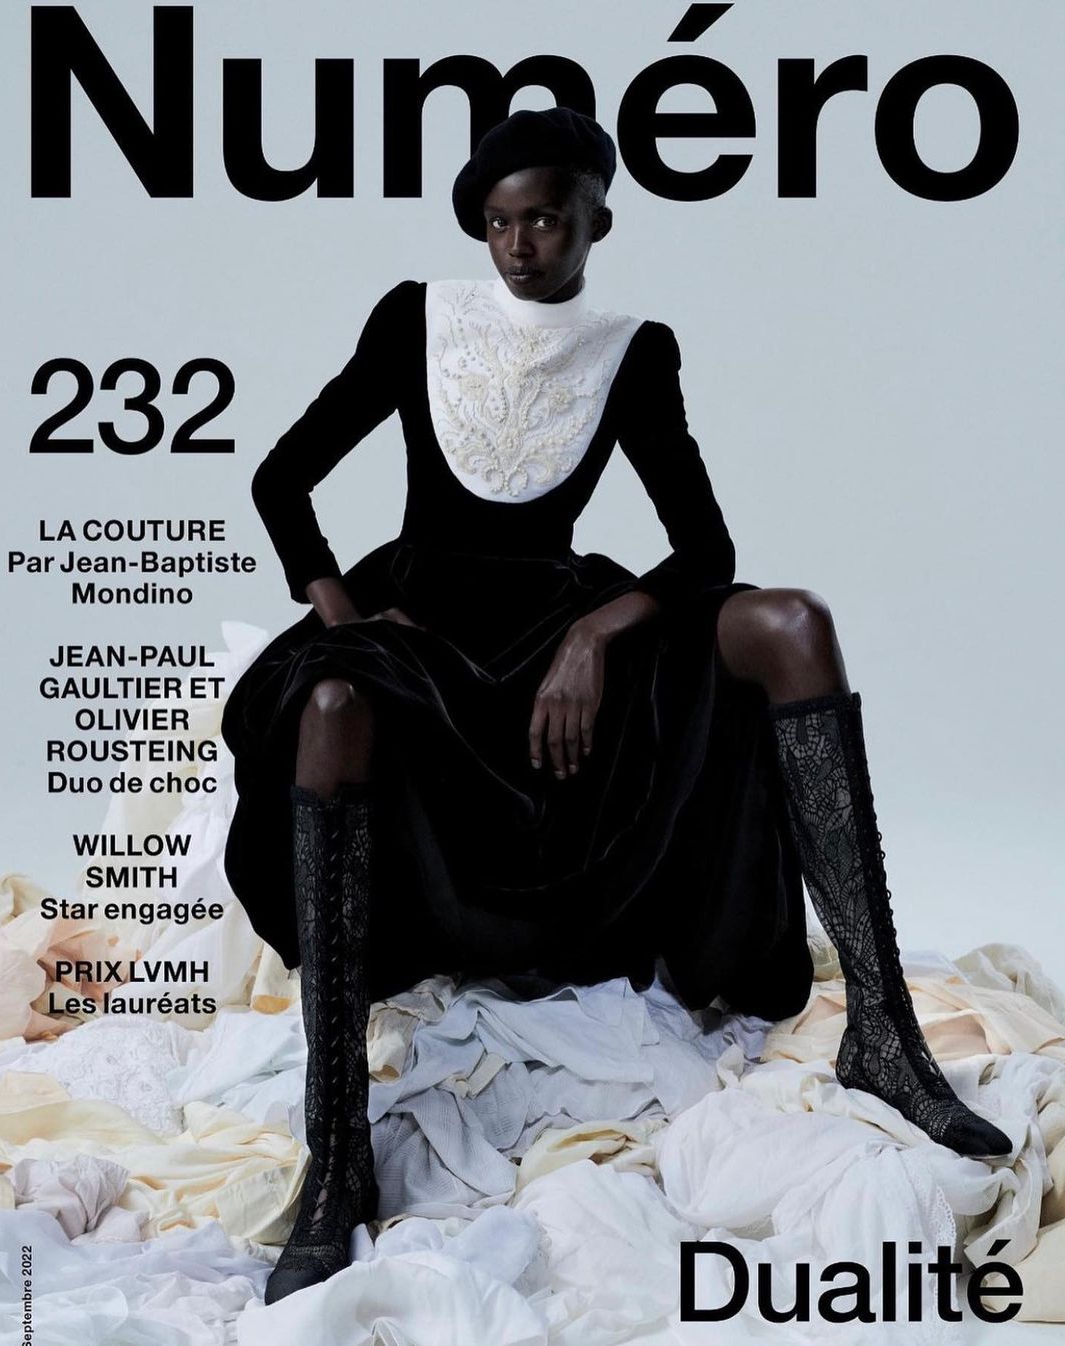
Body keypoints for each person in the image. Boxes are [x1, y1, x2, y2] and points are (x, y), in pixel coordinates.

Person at [221, 107, 1011, 1304]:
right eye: (499, 223)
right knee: (330, 702)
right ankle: (337, 1153)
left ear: (598, 218)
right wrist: (343, 616)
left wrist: (596, 633)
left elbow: (704, 547)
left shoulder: (633, 349)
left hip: (560, 622)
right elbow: (283, 477)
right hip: (420, 623)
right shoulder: (414, 317)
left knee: (793, 620)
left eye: (545, 218)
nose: (519, 244)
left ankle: (884, 1035)